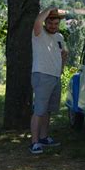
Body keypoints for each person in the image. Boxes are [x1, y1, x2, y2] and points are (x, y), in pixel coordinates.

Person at [30, 8, 68, 154]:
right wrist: (50, 9)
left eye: (56, 23)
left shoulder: (59, 37)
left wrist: (62, 66)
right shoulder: (38, 33)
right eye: (50, 23)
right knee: (39, 110)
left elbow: (63, 54)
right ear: (46, 22)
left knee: (48, 110)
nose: (53, 26)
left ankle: (44, 137)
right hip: (42, 75)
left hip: (55, 76)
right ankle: (34, 142)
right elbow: (37, 21)